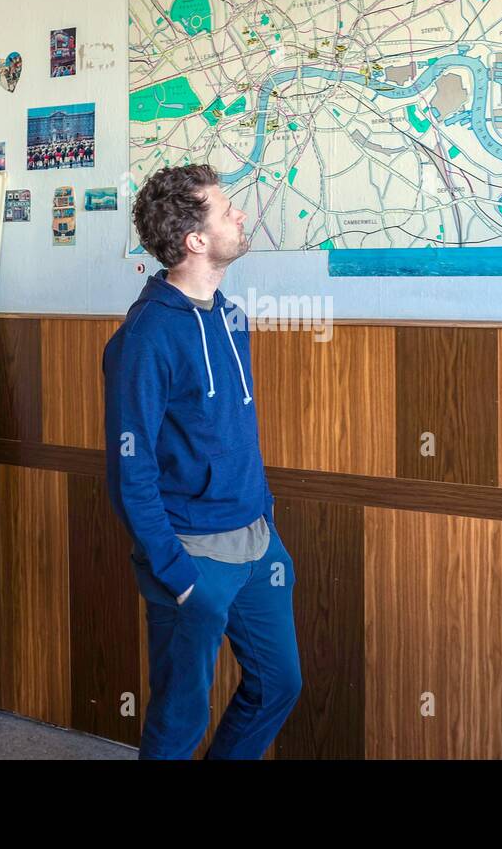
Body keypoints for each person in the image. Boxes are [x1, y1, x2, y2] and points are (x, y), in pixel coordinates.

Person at [103, 164, 301, 759]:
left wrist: (266, 520)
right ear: (194, 240)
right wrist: (178, 574)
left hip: (257, 543)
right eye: (226, 209)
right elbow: (128, 468)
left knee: (278, 684)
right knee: (180, 715)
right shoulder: (145, 338)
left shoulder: (230, 316)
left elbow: (235, 432)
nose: (239, 215)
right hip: (191, 558)